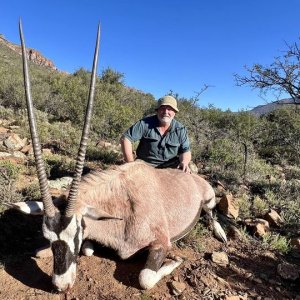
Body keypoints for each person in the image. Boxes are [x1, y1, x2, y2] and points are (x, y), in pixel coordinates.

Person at [120, 95, 192, 173]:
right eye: (162, 108)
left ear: (174, 112)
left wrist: (184, 162)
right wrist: (131, 164)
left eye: (169, 109)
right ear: (157, 111)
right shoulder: (145, 123)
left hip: (170, 166)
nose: (166, 112)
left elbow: (186, 151)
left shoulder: (180, 129)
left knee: (190, 171)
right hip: (145, 164)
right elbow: (126, 138)